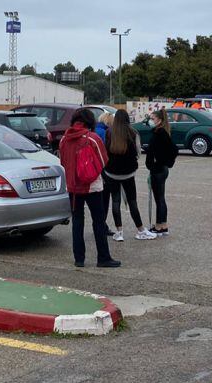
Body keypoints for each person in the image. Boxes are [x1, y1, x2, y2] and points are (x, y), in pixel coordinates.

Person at [59, 108, 119, 267]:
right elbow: (103, 160)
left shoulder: (64, 139)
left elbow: (63, 161)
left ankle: (79, 259)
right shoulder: (92, 138)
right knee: (98, 221)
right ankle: (103, 258)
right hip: (92, 186)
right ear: (90, 121)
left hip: (73, 187)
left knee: (77, 222)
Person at [102, 109, 157, 240]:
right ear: (127, 119)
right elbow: (138, 152)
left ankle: (119, 232)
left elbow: (105, 152)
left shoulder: (109, 132)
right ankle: (140, 230)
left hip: (111, 173)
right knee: (132, 201)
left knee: (116, 201)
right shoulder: (133, 132)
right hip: (128, 173)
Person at [144, 108, 177, 234]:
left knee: (159, 198)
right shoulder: (159, 132)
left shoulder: (161, 133)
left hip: (158, 169)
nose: (150, 121)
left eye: (152, 119)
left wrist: (163, 162)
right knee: (160, 198)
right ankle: (163, 224)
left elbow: (173, 150)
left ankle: (159, 226)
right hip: (159, 169)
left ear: (159, 120)